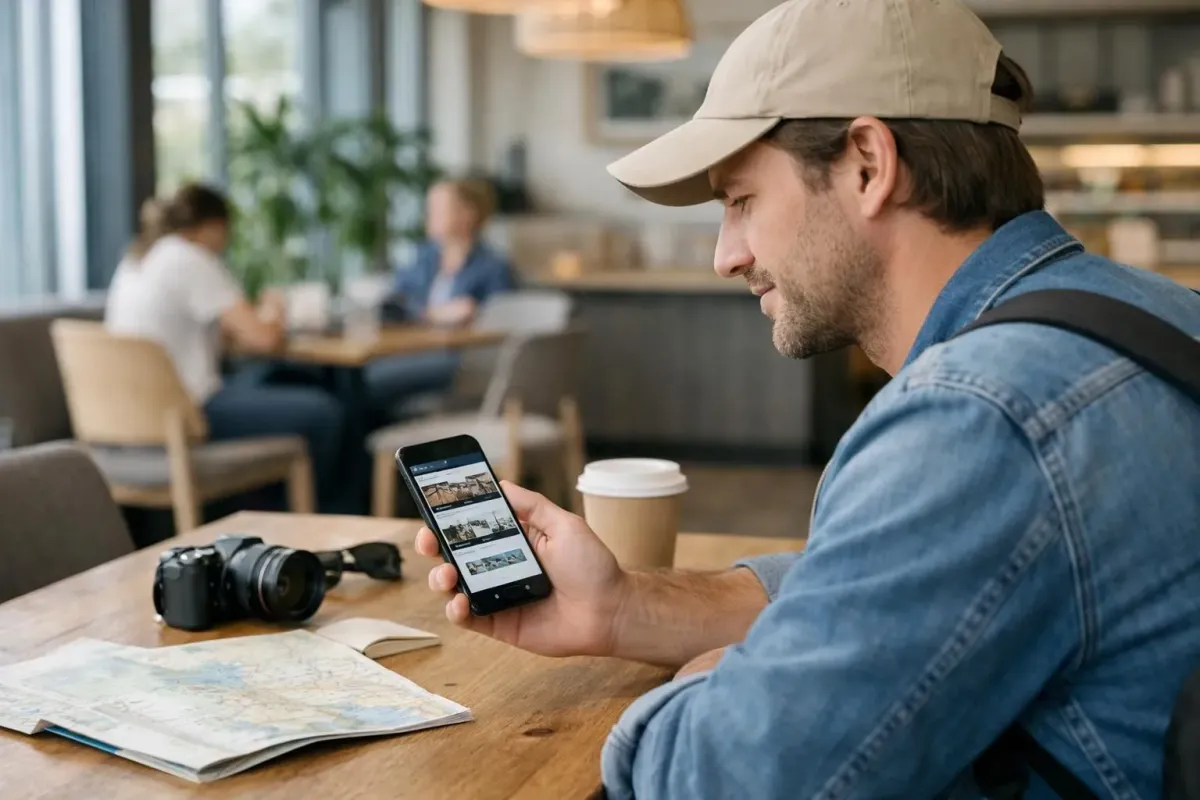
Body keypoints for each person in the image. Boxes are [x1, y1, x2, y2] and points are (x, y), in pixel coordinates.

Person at [413, 1, 1200, 797]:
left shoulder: (978, 419)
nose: (727, 255)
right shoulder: (1162, 312)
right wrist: (624, 607)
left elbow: (721, 778)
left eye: (741, 200)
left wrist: (731, 677)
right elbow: (901, 583)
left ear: (867, 162)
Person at [105, 183, 346, 512]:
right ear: (214, 226)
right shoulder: (189, 258)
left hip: (130, 420)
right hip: (188, 415)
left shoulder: (137, 257)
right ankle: (320, 518)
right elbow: (264, 339)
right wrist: (274, 308)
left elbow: (212, 333)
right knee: (325, 412)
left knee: (276, 379)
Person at [364, 177, 515, 417]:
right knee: (354, 378)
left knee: (369, 382)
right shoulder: (424, 258)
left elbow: (500, 326)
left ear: (468, 214)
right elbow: (395, 303)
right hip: (411, 351)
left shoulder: (493, 267)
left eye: (438, 209)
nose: (428, 215)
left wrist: (476, 313)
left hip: (460, 360)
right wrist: (434, 313)